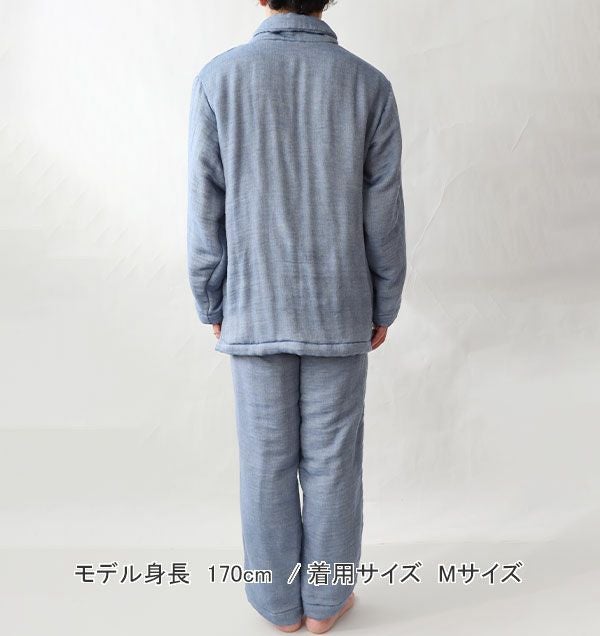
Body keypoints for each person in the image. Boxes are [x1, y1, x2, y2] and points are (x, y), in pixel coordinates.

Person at [187, 0, 406, 632]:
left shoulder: (219, 79)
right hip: (341, 308)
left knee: (265, 463)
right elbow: (384, 209)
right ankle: (326, 604)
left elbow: (205, 203)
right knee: (334, 463)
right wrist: (384, 299)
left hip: (254, 304)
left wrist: (211, 296)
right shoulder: (368, 84)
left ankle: (278, 607)